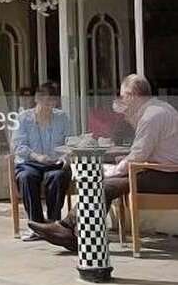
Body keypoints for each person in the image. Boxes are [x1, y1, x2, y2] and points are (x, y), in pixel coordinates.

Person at [30, 74, 178, 251]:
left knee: (102, 185)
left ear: (132, 95)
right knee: (103, 185)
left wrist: (114, 170)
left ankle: (73, 232)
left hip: (166, 175)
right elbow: (147, 152)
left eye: (122, 96)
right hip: (159, 171)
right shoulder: (160, 109)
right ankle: (75, 232)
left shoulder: (151, 116)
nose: (120, 100)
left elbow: (138, 155)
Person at [12, 82, 72, 241]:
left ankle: (54, 224)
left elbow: (69, 141)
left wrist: (65, 158)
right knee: (27, 177)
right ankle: (36, 226)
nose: (49, 105)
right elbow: (18, 145)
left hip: (54, 162)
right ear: (37, 99)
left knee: (58, 176)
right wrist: (37, 157)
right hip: (29, 162)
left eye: (52, 101)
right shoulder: (23, 118)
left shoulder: (62, 117)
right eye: (45, 100)